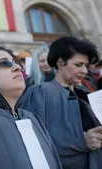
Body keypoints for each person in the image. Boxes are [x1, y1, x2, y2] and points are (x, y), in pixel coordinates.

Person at [22, 36, 102, 169]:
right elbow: (34, 140)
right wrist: (82, 141)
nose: (84, 71)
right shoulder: (41, 92)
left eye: (86, 66)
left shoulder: (86, 95)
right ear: (60, 63)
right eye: (78, 65)